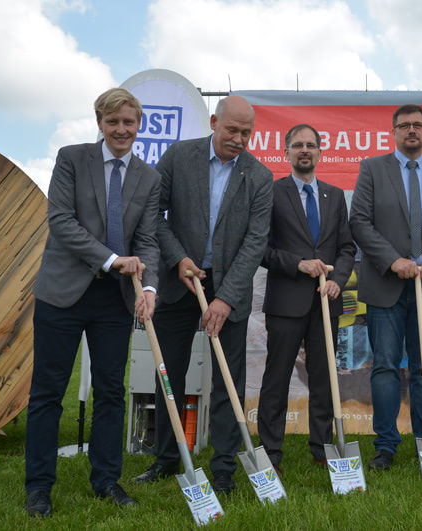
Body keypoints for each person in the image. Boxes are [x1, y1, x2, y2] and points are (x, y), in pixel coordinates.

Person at [25, 88, 160, 517]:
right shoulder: (71, 158)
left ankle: (106, 480)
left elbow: (148, 240)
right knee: (47, 393)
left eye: (129, 122)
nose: (121, 130)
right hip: (63, 292)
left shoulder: (149, 177)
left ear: (139, 125)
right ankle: (39, 486)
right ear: (99, 123)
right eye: (113, 122)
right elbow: (60, 221)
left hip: (115, 300)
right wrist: (111, 259)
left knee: (110, 393)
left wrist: (151, 288)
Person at [133, 95, 273, 494]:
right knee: (168, 375)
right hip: (180, 283)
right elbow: (152, 215)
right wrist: (177, 258)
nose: (240, 139)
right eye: (232, 130)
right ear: (214, 122)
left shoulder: (259, 177)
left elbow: (255, 242)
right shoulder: (179, 156)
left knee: (228, 381)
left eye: (247, 132)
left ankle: (224, 467)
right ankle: (166, 458)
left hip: (228, 290)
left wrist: (225, 298)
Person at [349, 104, 422, 470]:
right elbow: (360, 222)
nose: (412, 130)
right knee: (384, 366)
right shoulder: (372, 168)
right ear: (394, 131)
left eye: (418, 124)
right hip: (386, 284)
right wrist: (392, 260)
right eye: (405, 125)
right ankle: (385, 446)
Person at [257, 124, 356, 475]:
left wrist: (338, 281)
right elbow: (261, 249)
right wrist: (297, 264)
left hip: (325, 303)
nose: (305, 150)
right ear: (286, 152)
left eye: (311, 145)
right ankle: (270, 454)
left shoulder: (334, 195)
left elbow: (346, 247)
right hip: (286, 302)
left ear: (319, 152)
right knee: (277, 378)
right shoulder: (271, 193)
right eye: (298, 145)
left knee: (324, 378)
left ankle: (322, 449)